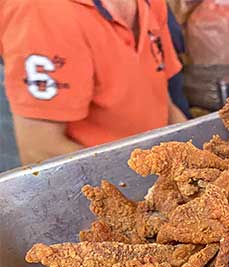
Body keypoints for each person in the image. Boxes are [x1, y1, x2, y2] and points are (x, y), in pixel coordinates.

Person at [0, 0, 187, 165]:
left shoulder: (149, 4)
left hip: (154, 169)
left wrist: (195, 153)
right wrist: (146, 178)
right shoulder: (41, 12)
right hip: (94, 188)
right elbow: (39, 150)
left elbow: (164, 103)